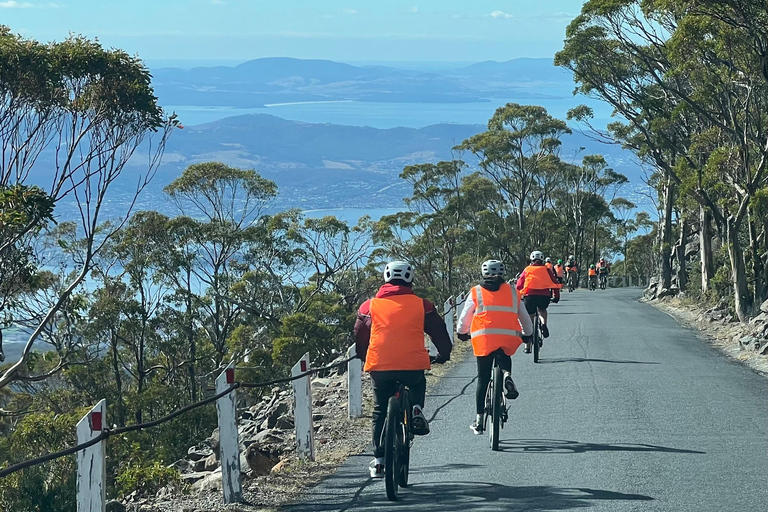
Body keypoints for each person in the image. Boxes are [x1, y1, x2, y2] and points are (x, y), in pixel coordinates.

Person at [354, 261, 452, 479]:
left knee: (380, 409)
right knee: (417, 382)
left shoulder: (368, 306)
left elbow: (360, 336)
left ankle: (379, 461)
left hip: (380, 365)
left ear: (385, 279)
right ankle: (416, 408)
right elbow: (440, 332)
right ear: (410, 279)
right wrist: (444, 354)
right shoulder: (423, 305)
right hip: (412, 364)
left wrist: (363, 357)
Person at [456, 260, 533, 435]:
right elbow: (525, 317)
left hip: (483, 339)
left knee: (483, 379)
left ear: (483, 274)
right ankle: (507, 376)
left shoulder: (476, 291)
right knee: (504, 355)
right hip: (507, 337)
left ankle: (479, 420)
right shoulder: (513, 292)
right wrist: (528, 334)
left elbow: (465, 316)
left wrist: (461, 332)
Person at [516, 251, 561, 347]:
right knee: (542, 310)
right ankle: (544, 324)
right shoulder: (546, 269)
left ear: (531, 259)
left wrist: (518, 295)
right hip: (544, 296)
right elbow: (555, 283)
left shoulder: (527, 269)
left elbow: (519, 284)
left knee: (530, 314)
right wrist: (556, 296)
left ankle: (528, 341)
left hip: (529, 296)